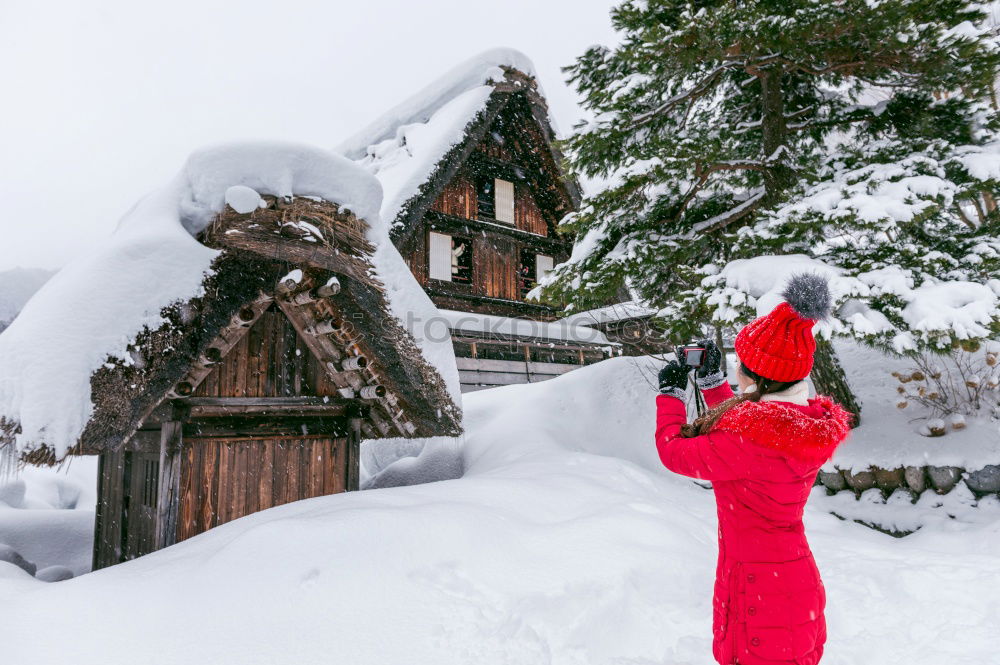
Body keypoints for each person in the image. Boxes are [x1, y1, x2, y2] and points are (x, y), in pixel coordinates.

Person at [654, 273, 852, 665]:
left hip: (758, 589)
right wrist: (713, 385)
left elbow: (673, 451)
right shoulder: (800, 423)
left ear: (758, 378)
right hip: (790, 580)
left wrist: (671, 396)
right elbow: (751, 425)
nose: (738, 371)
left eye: (741, 365)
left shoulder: (749, 441)